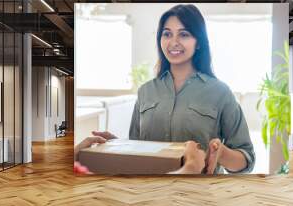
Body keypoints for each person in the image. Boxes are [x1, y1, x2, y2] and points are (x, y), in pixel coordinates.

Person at [85, 4, 255, 174]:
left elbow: (247, 159)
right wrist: (116, 145)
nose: (174, 42)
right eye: (167, 34)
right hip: (151, 193)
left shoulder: (220, 92)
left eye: (184, 34)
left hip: (201, 195)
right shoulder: (146, 91)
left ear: (198, 43)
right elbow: (137, 150)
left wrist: (222, 154)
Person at [74, 133, 206, 174]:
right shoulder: (146, 90)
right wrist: (192, 166)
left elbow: (135, 145)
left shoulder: (219, 91)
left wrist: (118, 144)